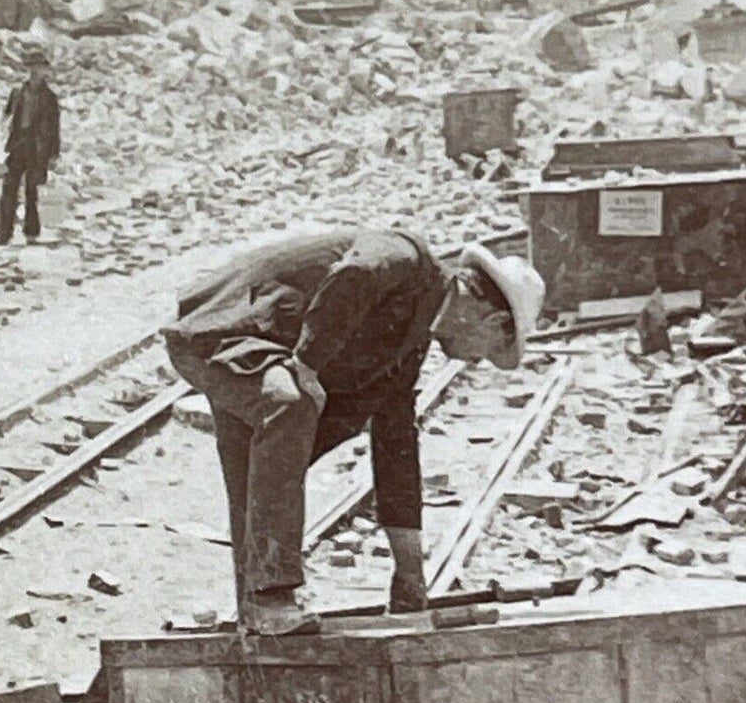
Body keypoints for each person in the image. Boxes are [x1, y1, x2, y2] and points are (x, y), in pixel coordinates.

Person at [165, 228, 544, 636]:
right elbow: (355, 274)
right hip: (220, 329)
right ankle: (270, 596)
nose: (476, 361)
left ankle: (258, 610)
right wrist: (308, 365)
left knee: (275, 454)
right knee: (290, 405)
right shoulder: (407, 259)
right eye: (490, 350)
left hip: (257, 351)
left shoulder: (410, 346)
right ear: (494, 319)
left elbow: (396, 449)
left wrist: (410, 575)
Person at [0, 45, 61, 245]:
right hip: (18, 145)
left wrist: (53, 155)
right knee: (9, 190)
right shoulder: (18, 93)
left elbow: (54, 128)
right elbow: (7, 117)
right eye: (32, 67)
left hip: (38, 149)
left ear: (45, 71)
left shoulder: (50, 98)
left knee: (31, 192)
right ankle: (4, 233)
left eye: (39, 68)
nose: (35, 71)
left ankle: (31, 231)